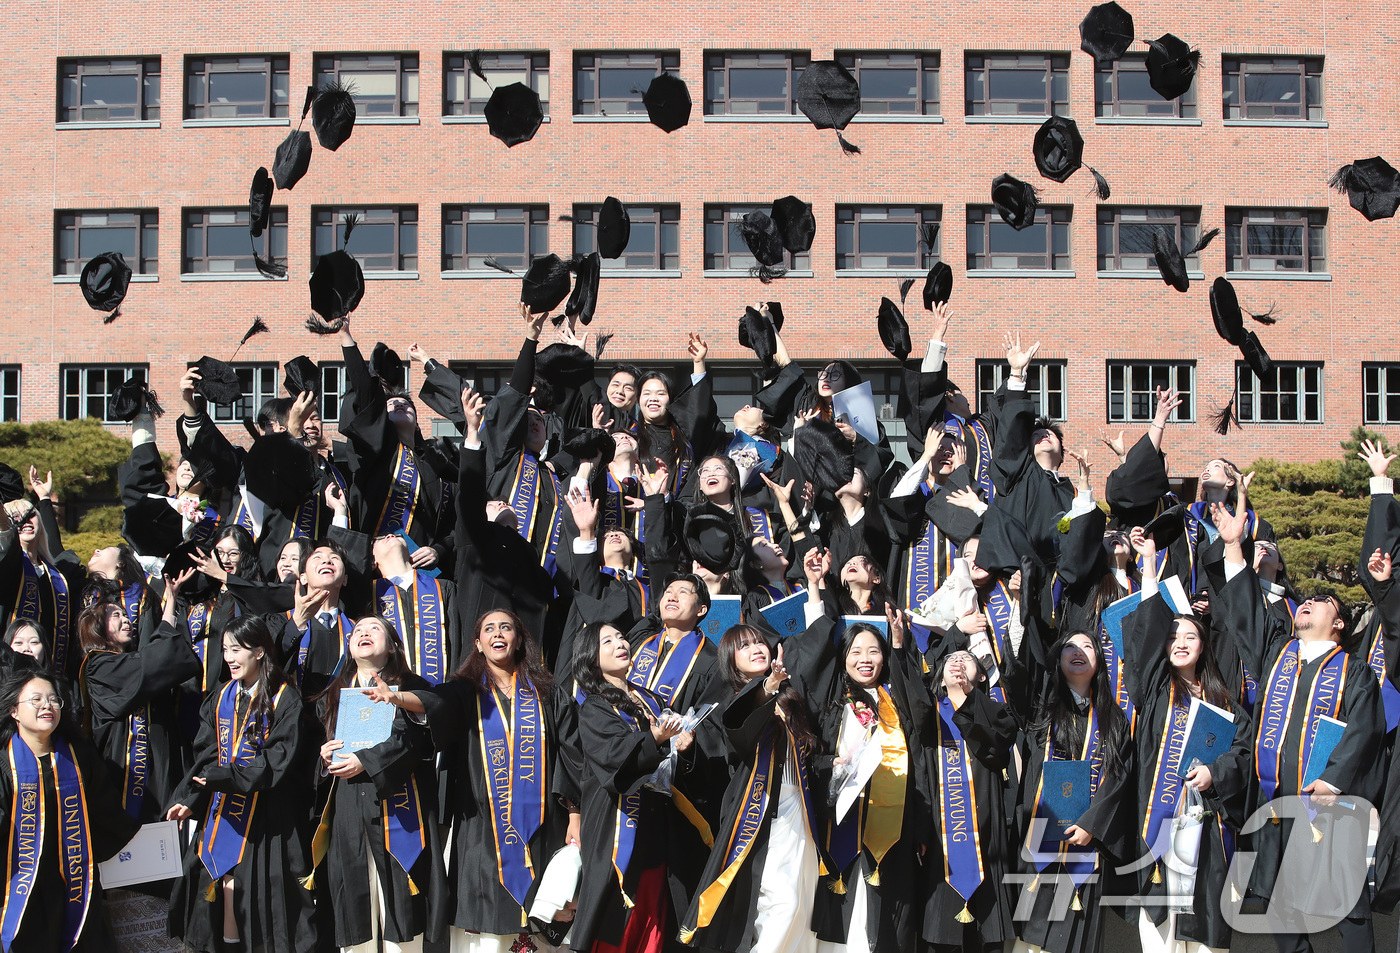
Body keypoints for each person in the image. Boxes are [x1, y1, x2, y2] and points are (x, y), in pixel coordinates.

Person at [1209, 480, 1386, 953]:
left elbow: (1365, 729)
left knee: (1347, 911)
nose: (1306, 602)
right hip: (1274, 808)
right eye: (1304, 601)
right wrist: (1233, 548)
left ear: (1341, 623)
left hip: (1327, 807)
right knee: (1282, 914)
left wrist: (1333, 778)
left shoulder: (1354, 671)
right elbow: (1245, 613)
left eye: (1322, 601)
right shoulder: (1278, 653)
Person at [369, 608, 578, 952]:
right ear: (478, 644)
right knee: (488, 931)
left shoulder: (548, 693)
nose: (498, 633)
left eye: (506, 627)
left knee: (540, 925)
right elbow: (435, 702)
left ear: (519, 639)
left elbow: (572, 755)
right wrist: (397, 697)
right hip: (482, 833)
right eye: (489, 629)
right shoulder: (465, 692)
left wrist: (575, 813)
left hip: (543, 831)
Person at [1122, 529, 1253, 953]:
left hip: (1206, 826)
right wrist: (1148, 568)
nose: (1180, 643)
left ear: (1203, 646)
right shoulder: (1156, 689)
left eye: (1190, 637)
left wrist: (1215, 772)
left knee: (1202, 925)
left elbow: (1243, 752)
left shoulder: (1224, 702)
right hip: (1158, 822)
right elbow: (1144, 642)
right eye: (1173, 637)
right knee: (1160, 929)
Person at [166, 616, 318, 953]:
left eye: (238, 649)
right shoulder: (220, 697)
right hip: (222, 813)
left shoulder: (285, 698)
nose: (230, 658)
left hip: (268, 817)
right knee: (218, 894)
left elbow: (279, 758)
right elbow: (206, 755)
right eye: (225, 650)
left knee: (258, 903)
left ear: (261, 651)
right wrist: (191, 796)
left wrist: (224, 777)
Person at [679, 625, 822, 953]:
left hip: (799, 813)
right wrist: (768, 684)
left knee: (802, 902)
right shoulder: (729, 705)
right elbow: (740, 727)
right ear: (730, 659)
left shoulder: (790, 698)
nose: (756, 647)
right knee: (780, 901)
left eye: (759, 641)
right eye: (744, 646)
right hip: (758, 815)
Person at [311, 616, 449, 953]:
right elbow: (319, 757)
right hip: (348, 807)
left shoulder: (413, 688)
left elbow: (416, 741)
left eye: (374, 629)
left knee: (399, 904)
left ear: (392, 646)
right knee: (355, 904)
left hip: (398, 805)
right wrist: (326, 760)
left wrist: (366, 761)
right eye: (357, 630)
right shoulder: (332, 695)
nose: (363, 633)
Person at [568, 621, 695, 953]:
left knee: (653, 917)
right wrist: (654, 738)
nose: (619, 643)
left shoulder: (650, 699)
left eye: (621, 637)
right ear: (591, 658)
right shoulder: (594, 706)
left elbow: (669, 753)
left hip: (656, 826)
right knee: (617, 921)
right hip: (617, 824)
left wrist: (684, 741)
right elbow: (612, 755)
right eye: (606, 641)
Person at [1013, 629, 1135, 953]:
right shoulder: (1042, 707)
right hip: (1039, 837)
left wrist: (1091, 824)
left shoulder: (1114, 721)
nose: (1078, 651)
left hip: (1086, 844)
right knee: (1030, 937)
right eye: (1069, 646)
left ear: (1100, 662)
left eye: (1087, 646)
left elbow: (1119, 781)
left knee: (1074, 938)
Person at [0, 669, 140, 951]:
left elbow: (105, 811)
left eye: (53, 699)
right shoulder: (4, 762)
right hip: (17, 884)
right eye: (36, 699)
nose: (47, 705)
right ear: (14, 711)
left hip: (73, 882)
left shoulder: (78, 755)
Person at [78, 568, 202, 832]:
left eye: (125, 614)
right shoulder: (97, 667)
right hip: (121, 768)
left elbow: (153, 658)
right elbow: (153, 661)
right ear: (96, 626)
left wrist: (170, 604)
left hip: (156, 768)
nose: (126, 620)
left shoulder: (131, 661)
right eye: (115, 615)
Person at [915, 644, 1018, 953]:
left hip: (986, 832)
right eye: (951, 659)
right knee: (942, 936)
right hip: (940, 837)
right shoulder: (927, 715)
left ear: (983, 676)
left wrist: (968, 700)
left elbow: (998, 748)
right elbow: (919, 772)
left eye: (968, 659)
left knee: (988, 936)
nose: (958, 660)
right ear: (939, 677)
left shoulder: (996, 710)